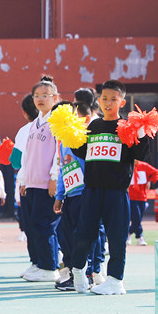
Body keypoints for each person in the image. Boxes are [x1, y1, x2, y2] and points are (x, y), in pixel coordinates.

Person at [68, 79, 152, 295]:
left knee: (116, 237)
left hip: (117, 192)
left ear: (122, 102)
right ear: (99, 100)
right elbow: (81, 151)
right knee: (84, 233)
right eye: (104, 98)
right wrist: (71, 134)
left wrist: (141, 134)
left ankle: (115, 280)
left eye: (113, 99)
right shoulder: (94, 125)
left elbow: (140, 154)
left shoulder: (126, 127)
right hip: (92, 190)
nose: (107, 103)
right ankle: (78, 270)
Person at [52, 100, 104, 290]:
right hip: (70, 195)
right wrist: (59, 195)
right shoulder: (62, 143)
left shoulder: (84, 137)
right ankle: (77, 273)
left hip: (85, 194)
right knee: (68, 236)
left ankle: (89, 273)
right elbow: (63, 169)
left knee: (85, 234)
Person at [17, 75, 61, 283]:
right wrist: (24, 179)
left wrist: (54, 177)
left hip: (46, 183)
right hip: (33, 182)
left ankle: (50, 267)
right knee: (34, 225)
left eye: (45, 95)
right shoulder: (35, 123)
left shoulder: (56, 122)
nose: (40, 99)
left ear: (55, 98)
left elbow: (59, 153)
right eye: (37, 96)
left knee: (45, 225)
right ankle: (41, 263)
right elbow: (26, 155)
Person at [10, 94, 39, 242]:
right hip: (52, 182)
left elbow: (15, 162)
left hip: (29, 183)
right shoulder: (54, 127)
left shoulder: (24, 131)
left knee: (32, 227)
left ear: (24, 112)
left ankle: (41, 256)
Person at [127, 160, 158, 246]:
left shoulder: (144, 166)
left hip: (142, 196)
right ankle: (139, 237)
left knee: (138, 219)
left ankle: (129, 234)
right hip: (131, 196)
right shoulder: (127, 165)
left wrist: (150, 180)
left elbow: (156, 172)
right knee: (136, 217)